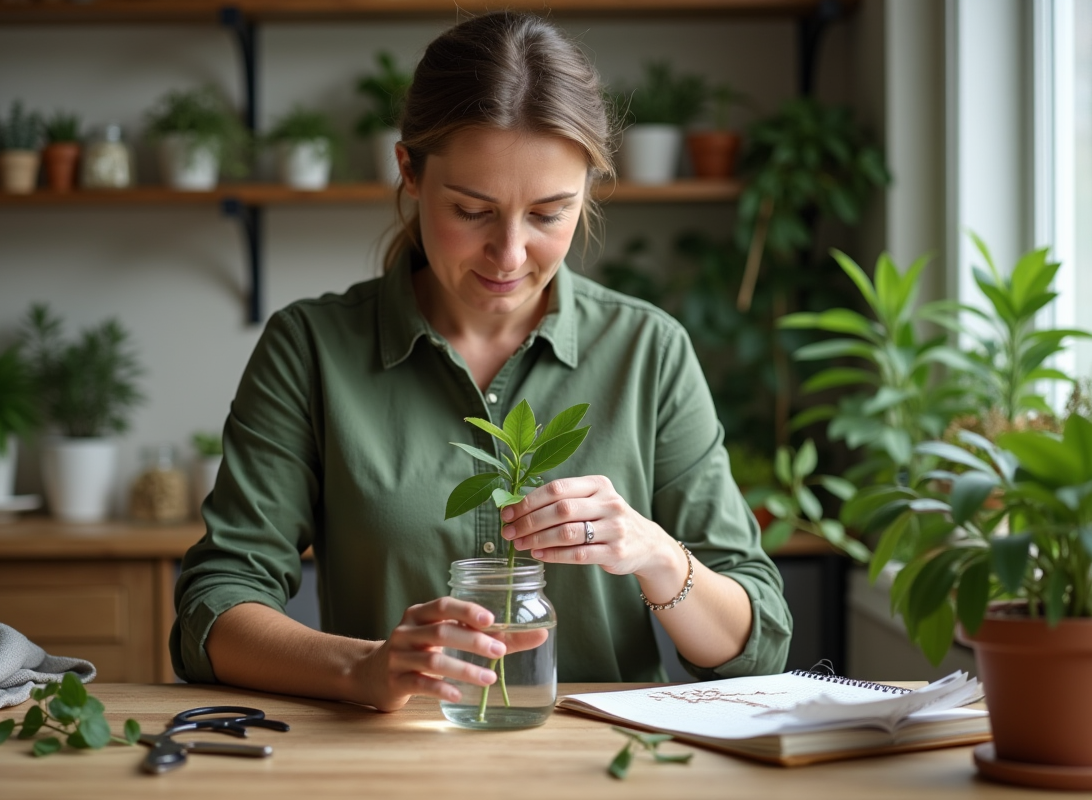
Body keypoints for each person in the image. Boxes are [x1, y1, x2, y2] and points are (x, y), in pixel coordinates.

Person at [171, 10, 791, 712]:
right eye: (472, 211)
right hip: (390, 765)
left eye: (550, 213)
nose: (510, 255)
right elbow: (213, 608)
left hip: (606, 769)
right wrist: (364, 668)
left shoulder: (649, 351)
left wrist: (656, 555)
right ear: (409, 170)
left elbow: (758, 642)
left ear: (589, 187)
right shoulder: (311, 348)